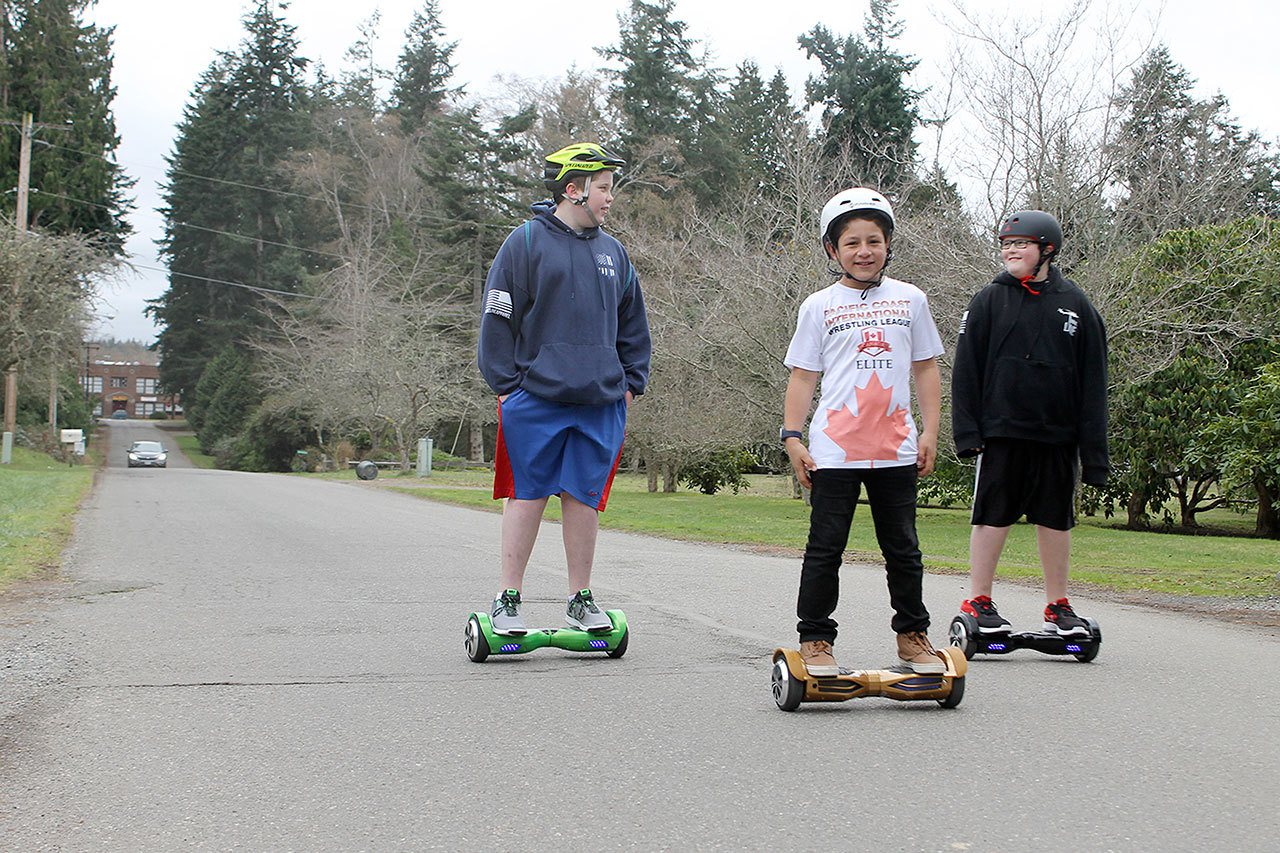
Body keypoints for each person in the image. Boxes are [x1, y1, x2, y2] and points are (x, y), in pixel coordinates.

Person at [476, 142, 651, 636]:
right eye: (602, 188)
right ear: (573, 190)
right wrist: (506, 384)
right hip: (535, 398)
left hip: (600, 401)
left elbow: (633, 325)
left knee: (583, 497)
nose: (609, 198)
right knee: (527, 495)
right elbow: (498, 313)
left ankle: (580, 597)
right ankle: (508, 599)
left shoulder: (614, 253)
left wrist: (630, 383)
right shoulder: (525, 243)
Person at [782, 187, 946, 676]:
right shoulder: (818, 306)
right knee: (825, 549)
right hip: (834, 450)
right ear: (834, 250)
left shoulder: (911, 300)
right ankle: (815, 639)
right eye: (852, 243)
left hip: (895, 447)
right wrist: (793, 437)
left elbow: (926, 368)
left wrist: (930, 432)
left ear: (888, 243)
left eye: (873, 240)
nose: (864, 251)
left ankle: (913, 637)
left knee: (903, 548)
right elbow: (803, 376)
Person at [951, 210, 1109, 638]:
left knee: (1056, 519)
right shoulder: (989, 300)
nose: (1010, 251)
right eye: (1005, 244)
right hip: (1001, 431)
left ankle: (1058, 606)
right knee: (992, 514)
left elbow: (1094, 382)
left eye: (1020, 243)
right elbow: (966, 370)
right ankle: (978, 599)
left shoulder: (1076, 305)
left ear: (1047, 250)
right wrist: (967, 432)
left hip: (1058, 434)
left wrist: (1095, 456)